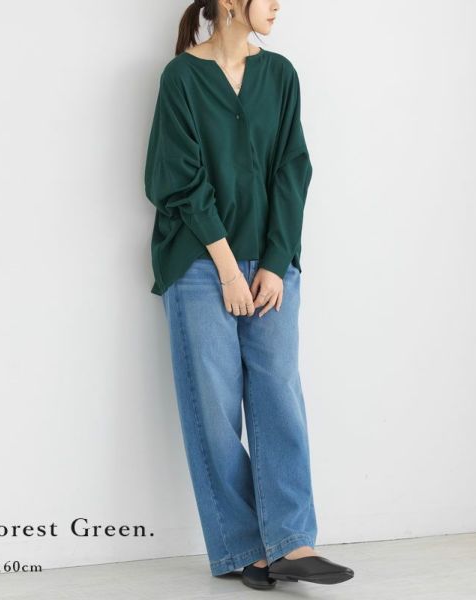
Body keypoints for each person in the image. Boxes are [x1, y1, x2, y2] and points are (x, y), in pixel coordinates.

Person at [144, 0, 355, 591]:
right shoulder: (181, 77)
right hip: (198, 262)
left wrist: (276, 263)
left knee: (278, 391)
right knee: (213, 404)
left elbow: (293, 170)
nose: (279, 5)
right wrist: (228, 269)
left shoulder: (280, 74)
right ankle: (243, 549)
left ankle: (291, 543)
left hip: (270, 262)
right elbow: (176, 178)